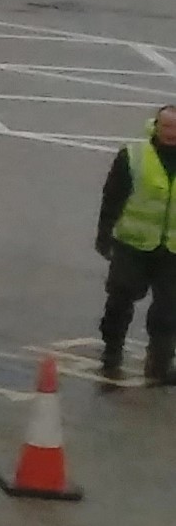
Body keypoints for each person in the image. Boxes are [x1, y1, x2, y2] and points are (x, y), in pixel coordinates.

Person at [100, 107, 176, 386]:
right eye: (166, 127)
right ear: (156, 126)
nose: (171, 134)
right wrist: (104, 233)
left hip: (172, 248)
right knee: (120, 299)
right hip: (133, 243)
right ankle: (111, 354)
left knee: (169, 309)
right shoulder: (134, 156)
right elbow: (113, 195)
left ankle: (160, 363)